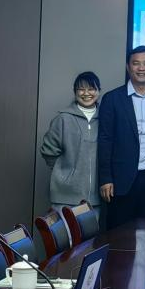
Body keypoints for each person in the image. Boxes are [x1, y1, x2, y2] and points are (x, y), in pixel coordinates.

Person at [97, 46, 145, 229]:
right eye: (136, 63)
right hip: (120, 180)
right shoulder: (112, 99)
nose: (141, 68)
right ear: (128, 67)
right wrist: (105, 178)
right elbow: (105, 140)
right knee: (118, 235)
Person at [40, 72, 102, 219]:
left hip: (96, 197)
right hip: (65, 197)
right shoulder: (63, 118)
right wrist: (65, 174)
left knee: (91, 234)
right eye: (81, 89)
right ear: (75, 92)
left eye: (91, 89)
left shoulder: (106, 118)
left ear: (98, 91)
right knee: (65, 234)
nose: (86, 93)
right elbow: (48, 151)